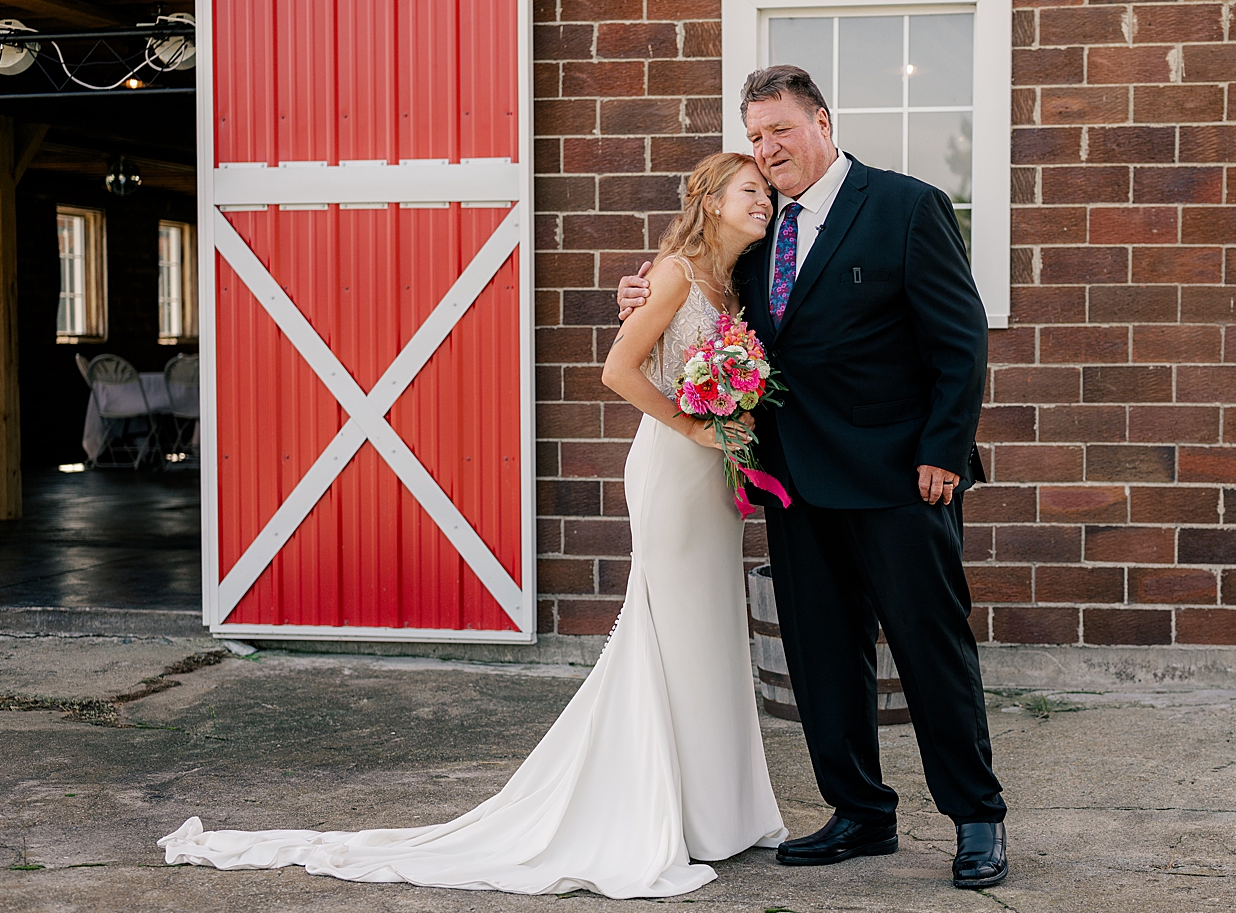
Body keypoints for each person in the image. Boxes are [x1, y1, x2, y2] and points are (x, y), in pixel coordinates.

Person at [160, 153, 785, 896]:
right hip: (674, 467)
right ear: (711, 200)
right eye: (753, 191)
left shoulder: (731, 281)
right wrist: (692, 422)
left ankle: (721, 813)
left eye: (770, 196)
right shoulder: (676, 271)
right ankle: (665, 812)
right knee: (670, 630)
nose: (767, 204)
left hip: (712, 474)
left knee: (711, 631)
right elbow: (618, 369)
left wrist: (727, 418)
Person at [619, 65, 1008, 893]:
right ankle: (860, 812)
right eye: (755, 136)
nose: (767, 150)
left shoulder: (905, 206)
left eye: (780, 130)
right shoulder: (760, 234)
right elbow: (703, 288)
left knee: (931, 651)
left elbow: (960, 339)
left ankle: (976, 816)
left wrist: (944, 448)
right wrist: (643, 288)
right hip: (793, 483)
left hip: (903, 480)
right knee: (823, 657)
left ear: (821, 122)